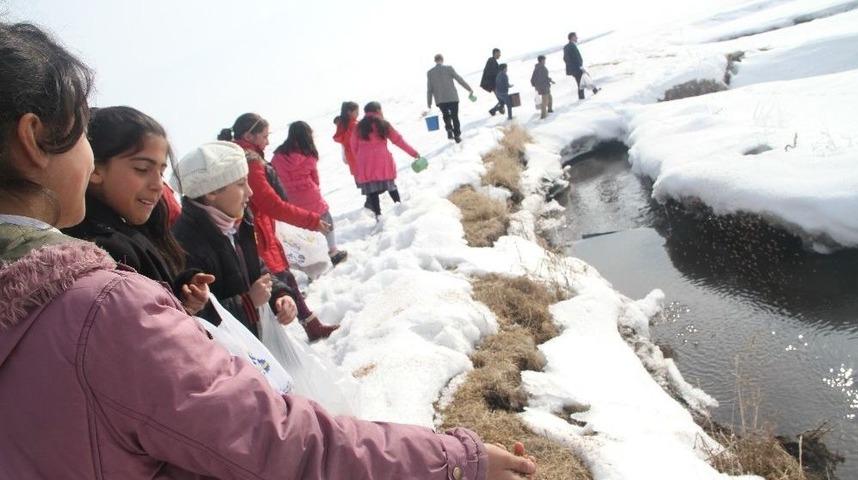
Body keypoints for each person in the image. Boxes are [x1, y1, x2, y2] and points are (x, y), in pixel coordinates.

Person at [0, 22, 538, 480]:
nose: (90, 156)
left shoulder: (66, 286)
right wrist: (455, 461)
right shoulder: (101, 307)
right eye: (82, 133)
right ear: (33, 139)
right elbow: (276, 441)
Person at [63, 106, 212, 316]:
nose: (158, 185)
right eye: (142, 169)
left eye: (161, 172)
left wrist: (184, 291)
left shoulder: (136, 229)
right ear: (95, 169)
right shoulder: (103, 252)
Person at [221, 113, 339, 340]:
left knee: (285, 278)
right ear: (249, 136)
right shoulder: (248, 161)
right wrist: (311, 220)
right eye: (264, 136)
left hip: (260, 229)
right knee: (274, 282)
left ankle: (311, 324)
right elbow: (270, 203)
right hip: (255, 233)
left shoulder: (239, 156)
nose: (267, 141)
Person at [171, 141, 298, 337]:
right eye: (240, 184)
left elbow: (256, 269)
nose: (250, 192)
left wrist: (279, 294)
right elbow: (194, 316)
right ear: (211, 191)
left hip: (254, 338)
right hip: (228, 350)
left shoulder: (236, 221)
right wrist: (247, 303)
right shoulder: (185, 243)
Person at [272, 121, 347, 265]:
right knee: (326, 220)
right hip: (310, 194)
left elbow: (275, 178)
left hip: (290, 198)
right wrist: (315, 189)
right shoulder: (308, 153)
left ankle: (309, 261)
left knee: (302, 229)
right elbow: (315, 177)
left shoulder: (278, 156)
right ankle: (333, 252)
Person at [351, 102, 421, 219]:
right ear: (378, 110)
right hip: (382, 160)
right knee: (390, 186)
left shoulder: (358, 127)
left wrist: (362, 159)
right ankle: (400, 208)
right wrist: (414, 153)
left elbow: (353, 147)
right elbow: (398, 140)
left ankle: (378, 216)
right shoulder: (383, 124)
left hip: (365, 163)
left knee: (372, 191)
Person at [426, 54, 473, 143]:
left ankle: (449, 129)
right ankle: (457, 136)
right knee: (455, 116)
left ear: (435, 61)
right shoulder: (449, 68)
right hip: (452, 97)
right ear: (442, 59)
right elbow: (459, 79)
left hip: (440, 99)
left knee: (446, 115)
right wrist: (469, 89)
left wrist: (429, 103)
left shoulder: (430, 73)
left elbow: (429, 89)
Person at [333, 101, 360, 183]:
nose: (358, 114)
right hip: (362, 160)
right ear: (349, 112)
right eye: (356, 111)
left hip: (352, 161)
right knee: (373, 187)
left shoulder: (342, 126)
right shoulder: (354, 125)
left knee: (364, 188)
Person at [481, 48, 507, 116]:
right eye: (499, 53)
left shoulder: (493, 61)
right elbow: (492, 72)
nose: (500, 55)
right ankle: (494, 110)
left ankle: (498, 110)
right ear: (495, 53)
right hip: (492, 84)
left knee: (502, 100)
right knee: (502, 100)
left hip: (493, 84)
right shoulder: (491, 60)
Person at [530, 55, 556, 119]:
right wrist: (550, 80)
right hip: (543, 87)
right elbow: (544, 78)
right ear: (542, 60)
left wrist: (535, 85)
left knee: (549, 97)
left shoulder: (537, 67)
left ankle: (549, 109)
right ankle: (543, 116)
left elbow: (533, 78)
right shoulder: (541, 68)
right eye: (544, 60)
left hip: (542, 86)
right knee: (545, 101)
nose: (545, 61)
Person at [563, 31, 585, 100]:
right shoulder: (571, 46)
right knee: (580, 82)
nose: (577, 38)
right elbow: (575, 58)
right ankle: (581, 98)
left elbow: (565, 58)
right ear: (572, 37)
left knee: (583, 80)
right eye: (575, 36)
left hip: (574, 68)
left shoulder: (567, 47)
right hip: (576, 68)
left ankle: (594, 90)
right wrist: (579, 66)